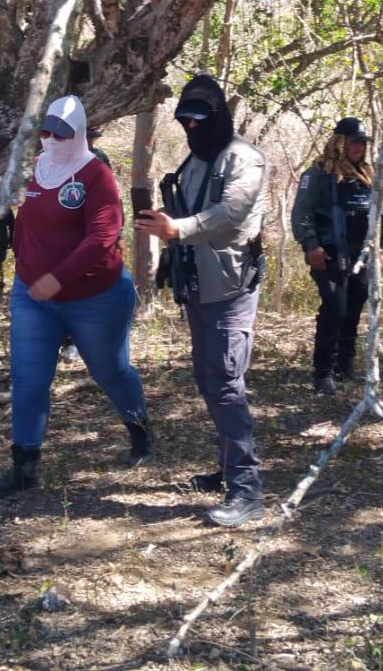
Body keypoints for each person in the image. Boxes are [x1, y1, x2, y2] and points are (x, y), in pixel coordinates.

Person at [0, 95, 151, 497]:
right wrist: (25, 268)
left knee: (110, 371)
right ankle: (25, 467)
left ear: (77, 134)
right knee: (28, 377)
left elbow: (103, 237)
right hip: (33, 295)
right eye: (45, 132)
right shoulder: (35, 169)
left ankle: (140, 429)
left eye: (60, 134)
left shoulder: (95, 175)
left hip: (94, 297)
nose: (51, 140)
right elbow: (24, 224)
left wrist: (58, 278)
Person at [137, 75, 268, 527]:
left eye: (199, 119)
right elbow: (187, 214)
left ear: (217, 117)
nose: (192, 127)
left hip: (231, 289)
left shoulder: (244, 159)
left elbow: (231, 213)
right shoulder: (194, 161)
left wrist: (179, 228)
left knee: (226, 382)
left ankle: (247, 490)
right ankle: (229, 468)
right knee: (209, 379)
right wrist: (165, 225)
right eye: (185, 121)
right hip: (197, 286)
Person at [291, 117, 376, 395]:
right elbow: (301, 213)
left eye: (362, 142)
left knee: (353, 308)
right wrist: (311, 245)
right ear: (339, 143)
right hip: (328, 254)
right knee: (334, 308)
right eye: (354, 142)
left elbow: (378, 214)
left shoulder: (366, 174)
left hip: (361, 255)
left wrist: (381, 247)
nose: (358, 147)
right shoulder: (318, 174)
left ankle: (344, 366)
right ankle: (323, 372)